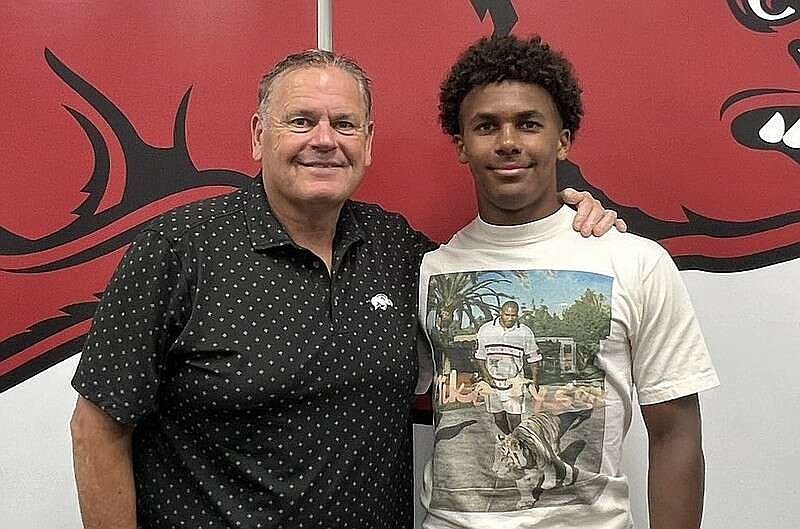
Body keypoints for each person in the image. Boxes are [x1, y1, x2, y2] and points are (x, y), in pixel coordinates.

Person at [69, 49, 622, 529]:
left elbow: (497, 264)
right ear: (259, 135)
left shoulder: (399, 251)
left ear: (369, 142)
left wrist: (567, 225)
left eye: (345, 124)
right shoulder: (178, 249)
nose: (324, 141)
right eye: (301, 121)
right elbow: (96, 427)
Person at [418, 35, 719, 529]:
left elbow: (676, 435)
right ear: (462, 145)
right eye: (486, 126)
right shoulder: (429, 270)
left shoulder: (634, 261)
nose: (509, 141)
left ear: (562, 138)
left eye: (529, 124)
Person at [474, 300, 539, 434]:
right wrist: (486, 377)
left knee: (515, 419)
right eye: (506, 314)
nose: (510, 318)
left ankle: (518, 445)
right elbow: (480, 357)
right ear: (500, 313)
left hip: (514, 381)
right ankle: (510, 439)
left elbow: (534, 359)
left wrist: (535, 381)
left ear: (517, 315)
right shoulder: (486, 329)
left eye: (513, 315)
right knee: (498, 418)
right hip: (492, 382)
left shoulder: (524, 332)